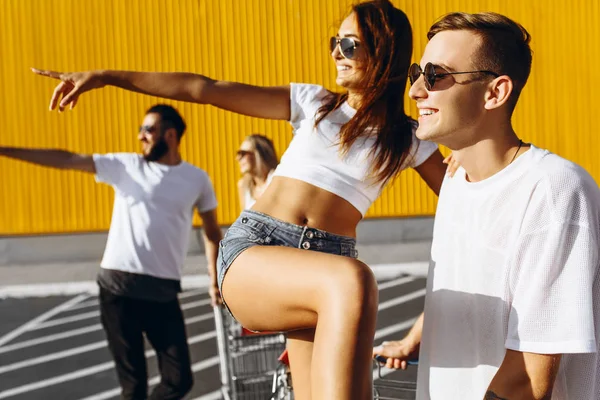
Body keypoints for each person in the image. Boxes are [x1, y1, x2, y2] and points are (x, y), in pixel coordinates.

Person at [32, 1, 450, 398]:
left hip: (319, 273)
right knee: (355, 280)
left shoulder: (409, 140)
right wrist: (107, 76)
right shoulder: (315, 103)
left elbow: (466, 198)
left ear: (384, 54)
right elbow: (204, 88)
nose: (337, 53)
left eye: (349, 44)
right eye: (334, 43)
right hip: (258, 249)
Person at [373, 12, 600, 400]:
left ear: (495, 92)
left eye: (436, 76)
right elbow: (475, 283)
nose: (415, 91)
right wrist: (413, 339)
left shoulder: (553, 190)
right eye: (416, 74)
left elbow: (527, 379)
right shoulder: (456, 179)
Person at [0, 104, 223, 400]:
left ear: (170, 135)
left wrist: (215, 279)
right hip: (119, 288)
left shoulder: (197, 179)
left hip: (163, 291)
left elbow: (212, 233)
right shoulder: (126, 166)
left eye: (148, 130)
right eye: (140, 129)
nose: (141, 136)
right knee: (134, 388)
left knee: (179, 379)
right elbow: (68, 159)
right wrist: (5, 150)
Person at [236, 133, 278, 210]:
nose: (238, 158)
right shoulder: (243, 185)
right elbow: (244, 219)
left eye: (242, 153)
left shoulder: (277, 180)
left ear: (259, 155)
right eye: (238, 154)